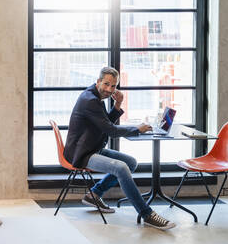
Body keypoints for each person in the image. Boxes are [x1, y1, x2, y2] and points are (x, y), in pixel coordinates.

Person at [64, 67, 175, 230]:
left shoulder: (95, 96)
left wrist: (118, 104)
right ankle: (147, 214)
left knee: (130, 162)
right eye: (106, 84)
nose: (109, 89)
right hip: (81, 153)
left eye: (113, 86)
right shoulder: (89, 100)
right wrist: (137, 128)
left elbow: (105, 123)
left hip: (92, 148)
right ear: (98, 82)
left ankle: (94, 194)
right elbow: (110, 130)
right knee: (121, 168)